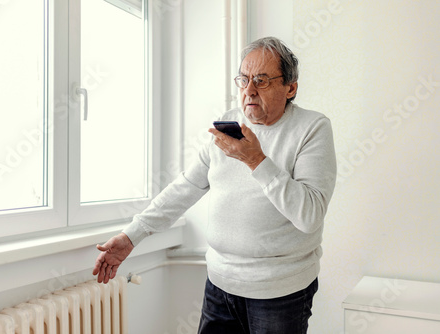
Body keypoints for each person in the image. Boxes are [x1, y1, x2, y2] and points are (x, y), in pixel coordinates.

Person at [93, 36, 337, 334]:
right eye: (244, 80)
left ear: (290, 87)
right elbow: (187, 187)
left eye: (261, 80)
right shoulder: (228, 123)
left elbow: (310, 216)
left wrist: (256, 160)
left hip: (279, 293)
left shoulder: (313, 128)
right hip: (220, 284)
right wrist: (132, 236)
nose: (249, 91)